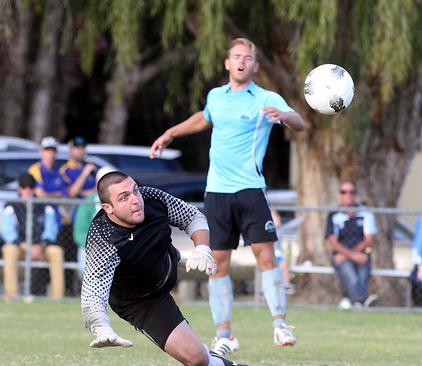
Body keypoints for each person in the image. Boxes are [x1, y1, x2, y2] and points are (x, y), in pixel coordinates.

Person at [149, 37, 305, 356]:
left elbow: (300, 123)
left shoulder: (266, 97)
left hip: (250, 190)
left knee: (266, 255)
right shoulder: (216, 97)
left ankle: (280, 325)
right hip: (217, 192)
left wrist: (285, 116)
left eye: (248, 58)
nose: (241, 62)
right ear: (227, 62)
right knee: (218, 263)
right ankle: (224, 335)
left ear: (255, 65)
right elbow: (204, 119)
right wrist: (170, 133)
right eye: (236, 57)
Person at [80, 171, 244, 366]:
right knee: (196, 358)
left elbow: (192, 216)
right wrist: (101, 327)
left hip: (170, 264)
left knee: (218, 267)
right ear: (108, 208)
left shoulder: (151, 197)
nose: (135, 200)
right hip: (140, 300)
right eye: (124, 198)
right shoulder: (103, 237)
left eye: (135, 191)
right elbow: (93, 292)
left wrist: (202, 249)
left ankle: (226, 335)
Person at [1, 173, 64, 301]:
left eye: (30, 187)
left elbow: (51, 230)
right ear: (19, 189)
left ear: (35, 188)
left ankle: (58, 297)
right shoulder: (11, 206)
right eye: (24, 187)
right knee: (9, 249)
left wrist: (40, 246)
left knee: (56, 252)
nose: (27, 190)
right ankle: (12, 295)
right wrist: (25, 246)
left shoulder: (45, 206)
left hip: (41, 248)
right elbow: (8, 232)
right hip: (21, 248)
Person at [325, 180, 378, 309]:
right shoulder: (334, 215)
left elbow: (369, 239)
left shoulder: (365, 213)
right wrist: (351, 255)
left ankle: (353, 302)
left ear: (356, 194)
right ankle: (362, 301)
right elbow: (332, 241)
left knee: (361, 277)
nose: (348, 195)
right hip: (341, 256)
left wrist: (355, 255)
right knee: (351, 277)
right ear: (340, 194)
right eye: (344, 192)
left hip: (362, 255)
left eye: (351, 192)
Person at [73, 167, 115, 281]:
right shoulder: (88, 202)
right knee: (87, 272)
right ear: (97, 183)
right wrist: (96, 245)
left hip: (115, 246)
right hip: (92, 247)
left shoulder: (120, 202)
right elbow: (80, 232)